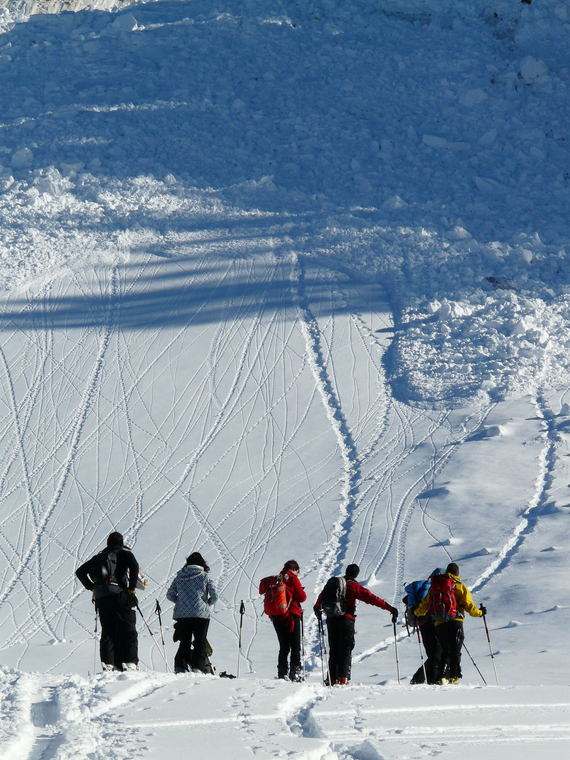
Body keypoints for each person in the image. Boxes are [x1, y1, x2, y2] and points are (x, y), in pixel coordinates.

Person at [314, 564, 398, 685]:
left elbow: (321, 597)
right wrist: (389, 608)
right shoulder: (354, 586)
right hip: (346, 620)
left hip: (331, 620)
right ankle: (343, 678)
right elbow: (372, 598)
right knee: (346, 648)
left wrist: (317, 607)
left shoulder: (335, 584)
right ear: (356, 574)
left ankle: (332, 679)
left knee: (334, 649)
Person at [76, 531, 140, 672]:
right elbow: (134, 566)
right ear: (121, 543)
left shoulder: (99, 557)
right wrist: (131, 589)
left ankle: (109, 664)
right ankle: (130, 663)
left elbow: (80, 572)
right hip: (120, 596)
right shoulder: (124, 554)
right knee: (128, 630)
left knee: (108, 631)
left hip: (102, 599)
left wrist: (91, 587)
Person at [414, 562, 484, 684]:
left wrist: (416, 612)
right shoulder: (460, 587)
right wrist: (480, 613)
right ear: (457, 573)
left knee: (445, 650)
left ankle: (441, 677)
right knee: (455, 649)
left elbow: (424, 605)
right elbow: (470, 607)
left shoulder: (435, 587)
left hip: (439, 624)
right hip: (455, 621)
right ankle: (454, 676)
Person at [166, 551, 217, 674]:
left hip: (183, 615)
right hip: (201, 614)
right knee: (200, 641)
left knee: (185, 641)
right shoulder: (204, 576)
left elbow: (170, 595)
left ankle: (180, 666)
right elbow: (214, 595)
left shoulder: (179, 576)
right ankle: (198, 667)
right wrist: (207, 603)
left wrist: (180, 602)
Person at [259, 559, 307, 681]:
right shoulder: (292, 578)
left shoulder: (276, 579)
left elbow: (262, 591)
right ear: (295, 569)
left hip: (276, 616)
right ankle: (294, 672)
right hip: (291, 615)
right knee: (295, 645)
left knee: (284, 645)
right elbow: (302, 597)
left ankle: (282, 671)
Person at [409, 568, 444, 685]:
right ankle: (427, 679)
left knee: (432, 653)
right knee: (437, 652)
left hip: (422, 623)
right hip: (433, 622)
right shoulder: (435, 588)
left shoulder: (423, 587)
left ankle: (426, 679)